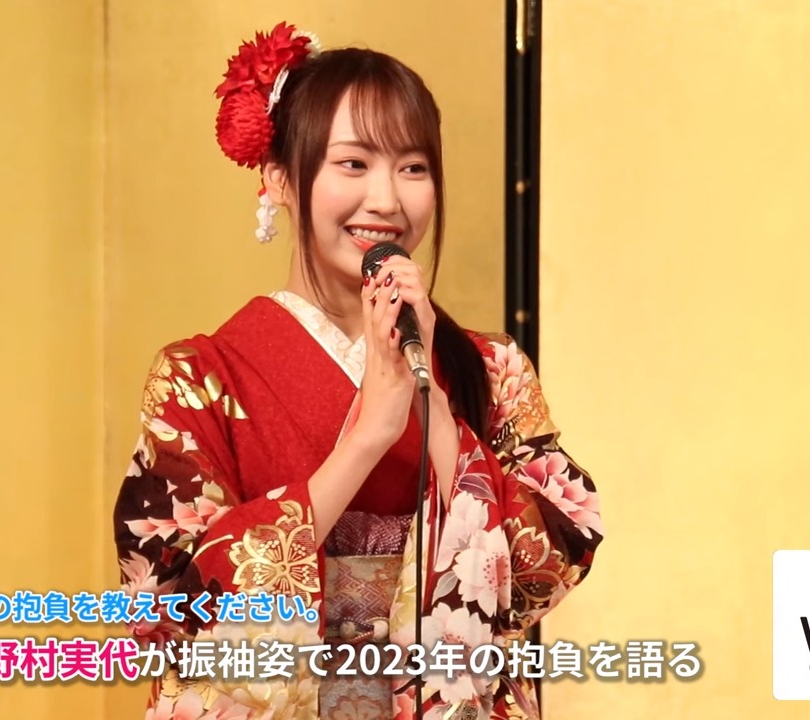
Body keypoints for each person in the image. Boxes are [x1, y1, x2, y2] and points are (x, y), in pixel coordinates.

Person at [113, 22, 604, 720]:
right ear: (279, 177)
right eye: (353, 164)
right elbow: (163, 606)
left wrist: (433, 411)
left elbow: (549, 563)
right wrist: (368, 437)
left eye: (413, 167)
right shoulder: (200, 377)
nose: (387, 199)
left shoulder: (489, 368)